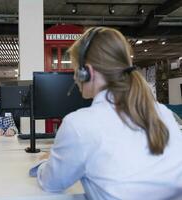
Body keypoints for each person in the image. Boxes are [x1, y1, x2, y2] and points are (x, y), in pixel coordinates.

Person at [30, 27, 182, 199]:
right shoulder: (163, 113)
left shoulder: (79, 124)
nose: (74, 77)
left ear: (87, 72)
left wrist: (45, 161)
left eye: (75, 70)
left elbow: (51, 183)